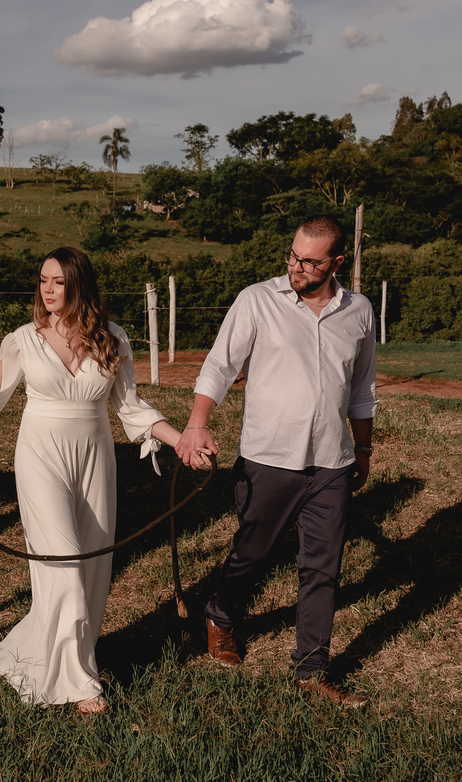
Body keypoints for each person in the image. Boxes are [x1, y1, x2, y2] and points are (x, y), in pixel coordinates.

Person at [0, 247, 204, 716]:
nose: (48, 290)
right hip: (41, 458)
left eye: (58, 281)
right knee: (63, 563)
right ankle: (80, 683)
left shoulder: (112, 338)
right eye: (43, 280)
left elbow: (131, 408)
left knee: (93, 568)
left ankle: (58, 651)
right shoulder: (23, 340)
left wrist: (181, 442)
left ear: (79, 284)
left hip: (95, 460)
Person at [175, 215, 376, 709]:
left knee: (323, 568)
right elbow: (220, 364)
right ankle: (221, 615)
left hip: (332, 461)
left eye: (310, 261)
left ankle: (311, 669)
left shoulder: (358, 310)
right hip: (268, 458)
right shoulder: (257, 300)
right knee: (253, 553)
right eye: (292, 256)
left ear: (336, 263)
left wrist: (363, 449)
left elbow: (362, 387)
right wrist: (198, 422)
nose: (297, 267)